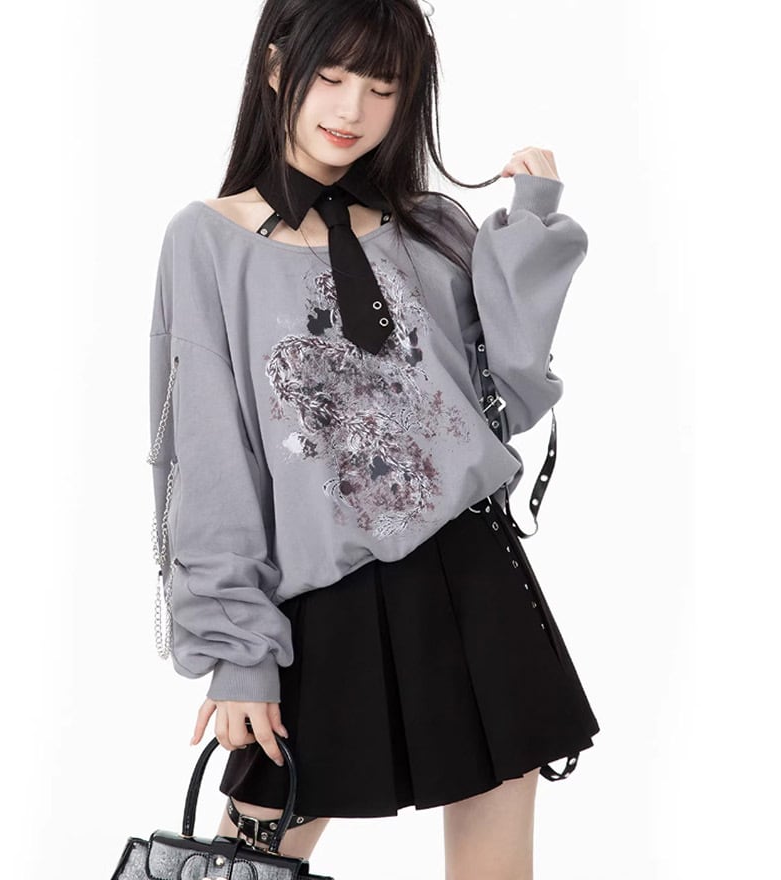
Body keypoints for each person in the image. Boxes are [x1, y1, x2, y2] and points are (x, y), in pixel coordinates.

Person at [146, 0, 600, 874]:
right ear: (276, 68)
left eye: (383, 87)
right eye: (331, 76)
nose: (352, 109)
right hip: (323, 601)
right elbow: (206, 460)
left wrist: (530, 224)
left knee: (497, 851)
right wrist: (239, 653)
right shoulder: (207, 241)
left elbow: (505, 396)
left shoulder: (430, 227)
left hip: (473, 572)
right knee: (246, 856)